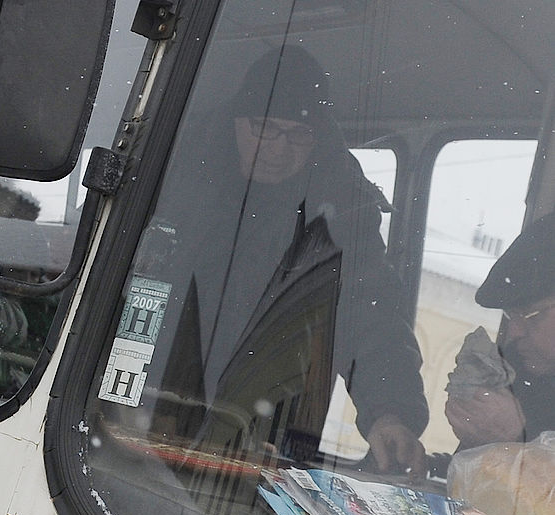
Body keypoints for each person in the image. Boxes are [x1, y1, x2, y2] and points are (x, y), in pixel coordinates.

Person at [132, 47, 428, 471]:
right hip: (146, 396)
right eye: (264, 128)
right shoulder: (174, 175)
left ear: (318, 137)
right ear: (237, 120)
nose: (278, 148)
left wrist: (389, 410)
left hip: (267, 426)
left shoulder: (341, 210)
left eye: (298, 134)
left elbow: (371, 313)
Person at [446, 213, 555, 448]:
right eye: (510, 316)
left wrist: (516, 438)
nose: (514, 332)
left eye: (530, 315)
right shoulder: (517, 374)